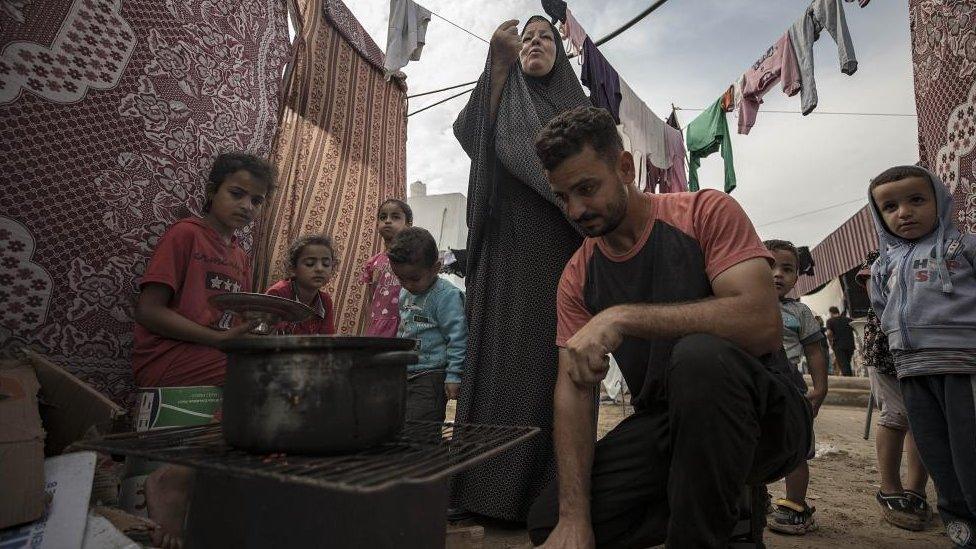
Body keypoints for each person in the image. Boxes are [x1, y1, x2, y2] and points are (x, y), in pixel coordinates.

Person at [526, 106, 811, 547]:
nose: (576, 210)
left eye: (586, 188)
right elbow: (574, 389)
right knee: (551, 524)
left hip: (764, 416)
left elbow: (761, 322)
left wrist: (623, 316)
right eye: (564, 197)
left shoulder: (704, 212)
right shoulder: (577, 276)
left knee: (700, 357)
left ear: (624, 168)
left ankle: (710, 526)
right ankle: (721, 508)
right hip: (667, 422)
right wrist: (574, 516)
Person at [451, 15, 588, 521]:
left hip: (558, 251)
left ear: (561, 53)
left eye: (546, 37)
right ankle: (481, 493)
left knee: (551, 364)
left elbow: (586, 163)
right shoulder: (501, 91)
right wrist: (499, 68)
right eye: (527, 36)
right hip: (503, 251)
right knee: (495, 358)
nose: (535, 42)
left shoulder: (577, 108)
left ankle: (544, 498)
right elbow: (472, 134)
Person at [131, 152, 275, 548]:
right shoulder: (185, 235)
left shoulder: (240, 256)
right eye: (237, 193)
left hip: (212, 356)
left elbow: (237, 318)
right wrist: (219, 341)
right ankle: (172, 479)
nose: (247, 206)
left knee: (275, 374)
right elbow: (148, 311)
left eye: (257, 201)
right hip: (169, 354)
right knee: (258, 383)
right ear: (212, 192)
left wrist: (260, 328)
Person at [868, 165, 976, 547]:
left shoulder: (964, 247)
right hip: (912, 370)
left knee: (969, 447)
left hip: (962, 367)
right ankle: (958, 519)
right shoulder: (883, 265)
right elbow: (883, 310)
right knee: (934, 448)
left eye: (916, 200)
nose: (904, 212)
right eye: (890, 206)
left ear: (939, 200)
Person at [857, 250, 932, 531]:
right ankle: (889, 487)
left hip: (927, 347)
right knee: (895, 416)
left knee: (921, 418)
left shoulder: (938, 250)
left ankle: (916, 490)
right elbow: (876, 296)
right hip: (888, 347)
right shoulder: (880, 256)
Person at [764, 239, 828, 536]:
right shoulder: (742, 303)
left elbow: (815, 351)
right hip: (752, 388)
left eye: (787, 269)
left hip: (790, 390)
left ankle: (794, 506)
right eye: (770, 266)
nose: (778, 274)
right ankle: (754, 499)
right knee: (747, 442)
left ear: (796, 276)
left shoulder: (799, 312)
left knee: (794, 448)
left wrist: (820, 387)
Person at [387, 227, 467, 422]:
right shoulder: (406, 292)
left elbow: (457, 339)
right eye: (400, 278)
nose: (406, 284)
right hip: (405, 372)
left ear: (436, 268)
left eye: (414, 278)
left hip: (431, 376)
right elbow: (404, 329)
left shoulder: (446, 297)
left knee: (422, 428)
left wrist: (454, 376)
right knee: (401, 425)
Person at [265, 234, 337, 335]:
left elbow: (327, 340)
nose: (320, 269)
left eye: (326, 264)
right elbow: (265, 337)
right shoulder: (278, 293)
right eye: (309, 263)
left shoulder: (325, 302)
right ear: (292, 269)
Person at [361, 199, 412, 337]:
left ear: (408, 224)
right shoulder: (372, 263)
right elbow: (370, 299)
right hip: (378, 328)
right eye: (383, 217)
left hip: (407, 325)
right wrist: (368, 328)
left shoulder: (414, 259)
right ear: (377, 224)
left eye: (395, 217)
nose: (388, 221)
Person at [826, 306, 855, 376]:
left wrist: (831, 343)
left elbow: (829, 333)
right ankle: (850, 377)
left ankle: (849, 381)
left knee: (843, 365)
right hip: (850, 345)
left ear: (831, 313)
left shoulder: (830, 321)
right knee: (847, 363)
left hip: (839, 346)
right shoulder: (848, 320)